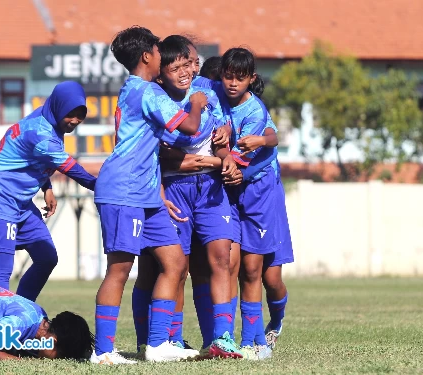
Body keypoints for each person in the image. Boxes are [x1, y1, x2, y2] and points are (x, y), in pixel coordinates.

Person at [91, 26, 208, 364]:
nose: (163, 56)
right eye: (159, 51)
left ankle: (157, 345)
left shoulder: (134, 90)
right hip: (124, 191)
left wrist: (157, 190)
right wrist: (197, 104)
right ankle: (103, 352)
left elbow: (148, 147)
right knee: (119, 270)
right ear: (147, 56)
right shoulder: (146, 92)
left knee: (174, 263)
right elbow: (189, 126)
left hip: (146, 194)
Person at [131, 35, 243, 359]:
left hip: (210, 187)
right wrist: (207, 159)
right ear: (161, 71)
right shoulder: (155, 100)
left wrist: (227, 155)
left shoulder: (207, 92)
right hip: (171, 188)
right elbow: (161, 154)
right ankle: (171, 341)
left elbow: (219, 136)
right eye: (176, 66)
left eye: (189, 64)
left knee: (221, 257)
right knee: (174, 267)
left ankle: (222, 339)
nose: (185, 71)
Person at [0, 81, 96, 302]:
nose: (75, 120)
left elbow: (31, 159)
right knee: (2, 269)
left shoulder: (48, 119)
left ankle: (21, 311)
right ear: (59, 107)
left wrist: (47, 187)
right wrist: (100, 185)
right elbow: (70, 168)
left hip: (19, 200)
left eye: (81, 115)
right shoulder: (41, 133)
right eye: (71, 114)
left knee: (46, 257)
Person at [215, 47, 294, 360]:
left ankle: (274, 322)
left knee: (266, 276)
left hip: (261, 193)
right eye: (227, 76)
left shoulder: (255, 111)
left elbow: (267, 139)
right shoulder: (213, 93)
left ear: (251, 79)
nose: (232, 83)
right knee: (235, 266)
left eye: (239, 77)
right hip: (233, 192)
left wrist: (254, 144)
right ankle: (248, 341)